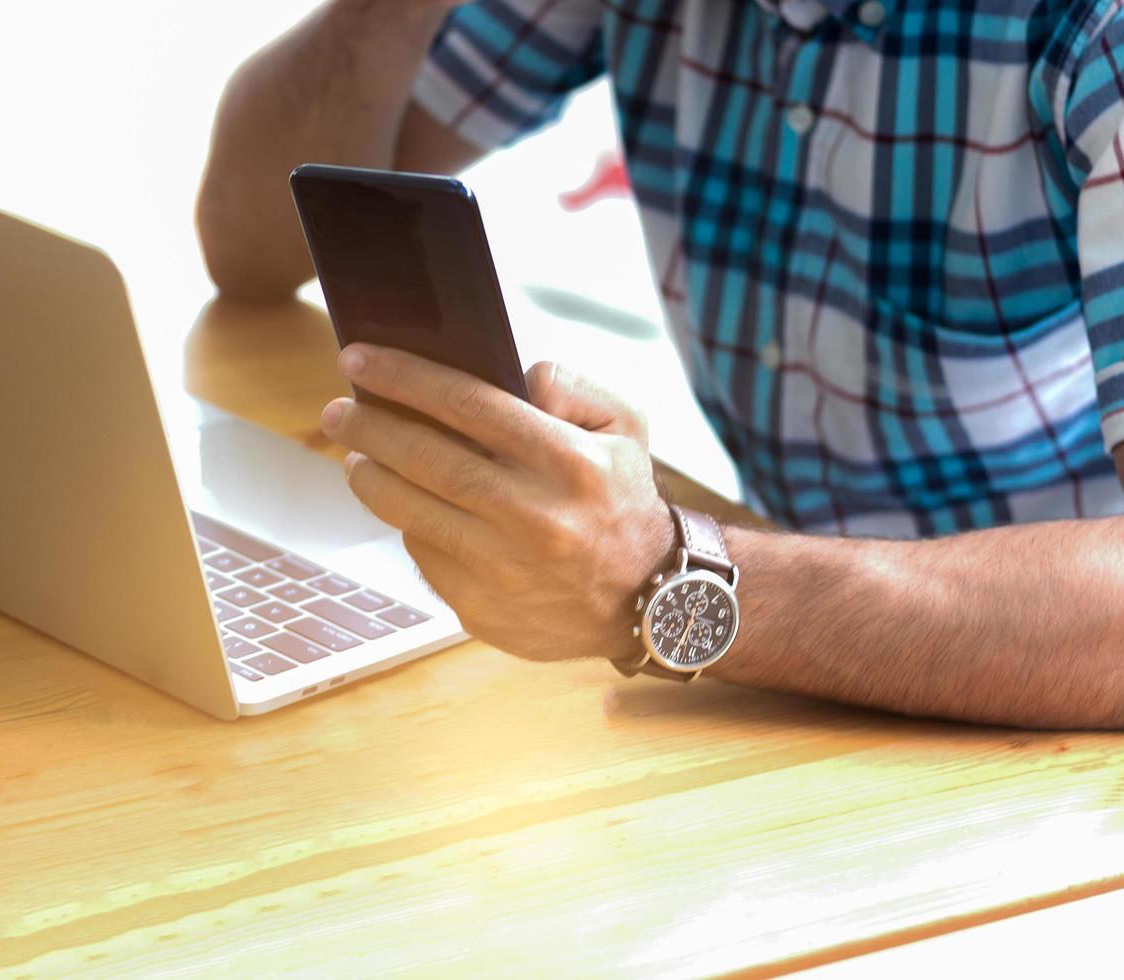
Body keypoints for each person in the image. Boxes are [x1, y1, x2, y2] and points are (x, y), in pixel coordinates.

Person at [196, 0, 1124, 729]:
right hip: (788, 682)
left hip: (1050, 725)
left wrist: (660, 577)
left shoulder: (1094, 32)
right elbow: (250, 242)